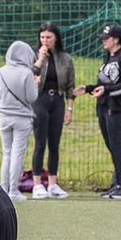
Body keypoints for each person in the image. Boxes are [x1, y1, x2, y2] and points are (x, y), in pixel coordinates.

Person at [72, 23, 121, 200]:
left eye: (106, 39)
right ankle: (117, 184)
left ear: (116, 40)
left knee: (116, 145)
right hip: (104, 106)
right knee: (111, 147)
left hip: (118, 108)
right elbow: (104, 83)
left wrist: (106, 91)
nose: (104, 42)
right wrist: (88, 88)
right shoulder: (108, 57)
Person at [30, 22, 75, 199]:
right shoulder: (34, 55)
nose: (45, 40)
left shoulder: (65, 58)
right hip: (38, 100)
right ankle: (37, 184)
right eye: (42, 37)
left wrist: (69, 108)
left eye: (48, 37)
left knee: (54, 144)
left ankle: (53, 184)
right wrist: (40, 59)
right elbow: (28, 75)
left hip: (57, 100)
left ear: (55, 37)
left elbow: (70, 86)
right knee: (40, 143)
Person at [0, 41, 39, 202]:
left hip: (3, 117)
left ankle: (4, 188)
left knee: (6, 153)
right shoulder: (27, 73)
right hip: (22, 118)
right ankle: (13, 189)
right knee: (17, 153)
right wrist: (36, 84)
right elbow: (31, 97)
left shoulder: (1, 71)